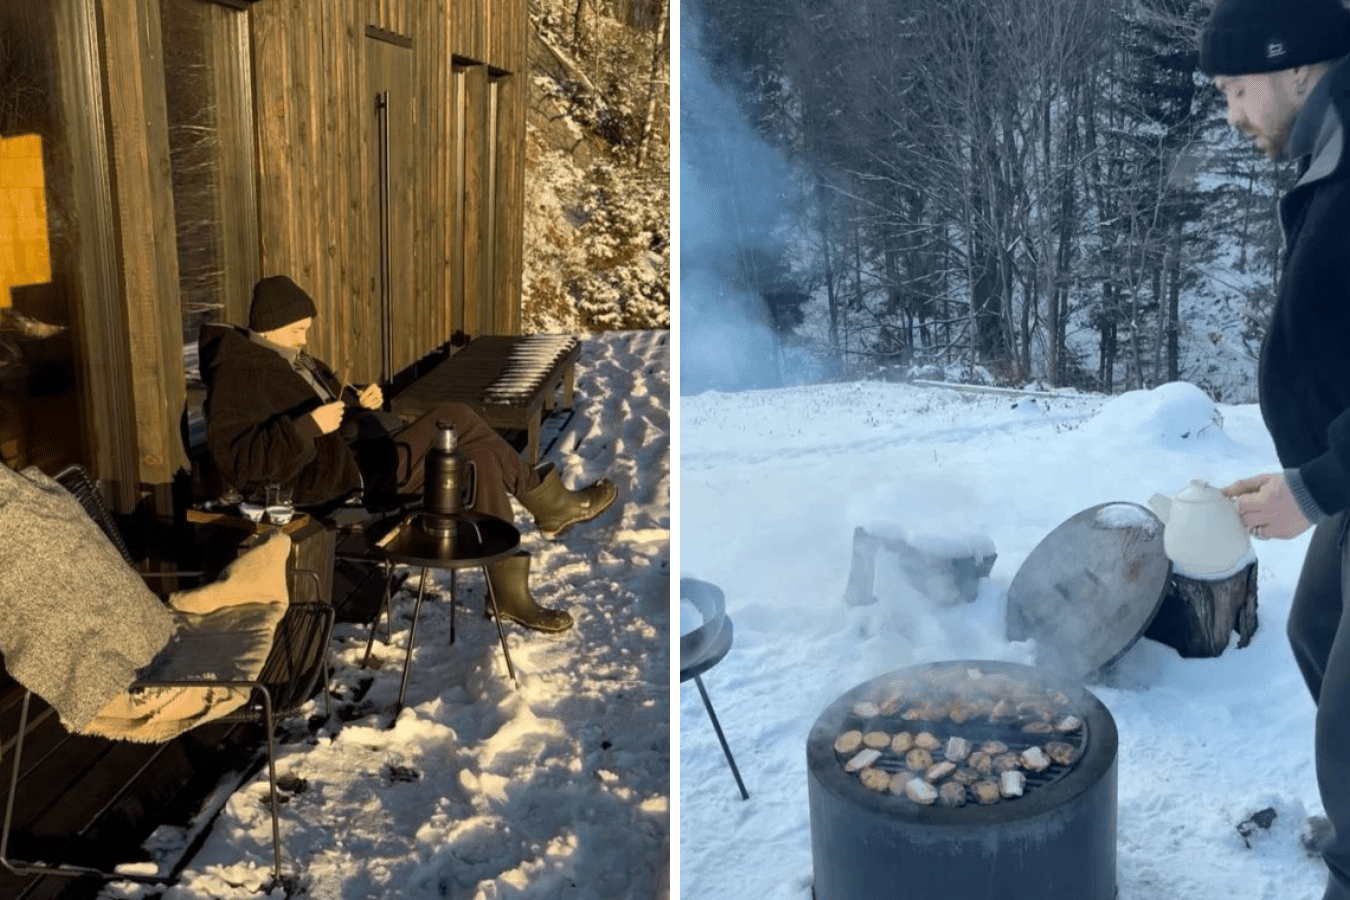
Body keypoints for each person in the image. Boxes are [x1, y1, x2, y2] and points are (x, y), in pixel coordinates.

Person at [199, 274, 618, 634]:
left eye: (306, 329)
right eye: (297, 330)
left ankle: (507, 592)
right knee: (456, 415)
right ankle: (547, 504)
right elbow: (242, 461)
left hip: (364, 450)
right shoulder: (242, 374)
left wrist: (361, 399)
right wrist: (310, 427)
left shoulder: (291, 360)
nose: (304, 338)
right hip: (344, 479)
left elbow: (324, 405)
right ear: (269, 328)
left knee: (480, 455)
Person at [1200, 1, 1350, 897]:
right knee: (1315, 625)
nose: (1230, 112)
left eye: (1235, 89)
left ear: (1298, 68)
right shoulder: (1331, 149)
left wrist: (1317, 484)